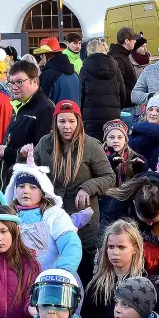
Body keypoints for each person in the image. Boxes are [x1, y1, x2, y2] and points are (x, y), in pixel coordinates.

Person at [36, 100, 114, 271]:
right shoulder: (44, 144)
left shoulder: (91, 145)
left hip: (83, 223)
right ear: (55, 122)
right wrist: (22, 157)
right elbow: (31, 174)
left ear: (78, 122)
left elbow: (109, 177)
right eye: (62, 121)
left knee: (83, 272)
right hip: (50, 221)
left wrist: (88, 187)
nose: (67, 126)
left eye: (72, 121)